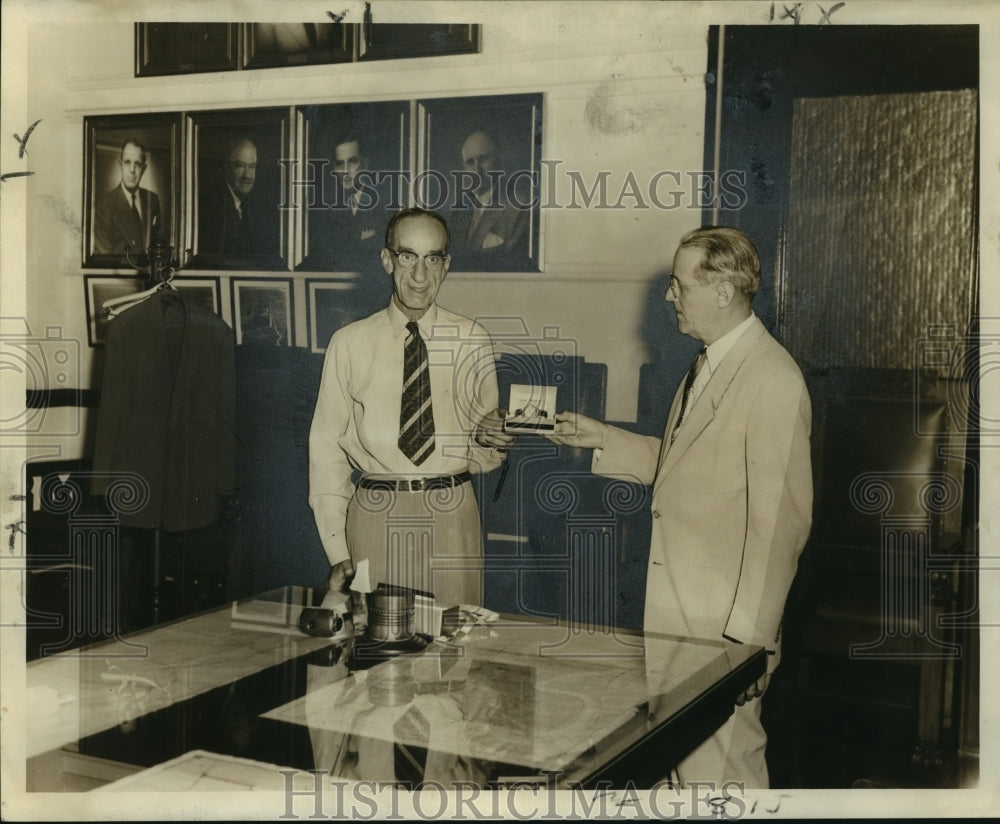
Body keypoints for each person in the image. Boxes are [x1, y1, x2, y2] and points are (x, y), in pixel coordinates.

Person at [545, 226, 812, 789]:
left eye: (678, 284)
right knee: (681, 773)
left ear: (722, 291)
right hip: (677, 619)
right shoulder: (709, 363)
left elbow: (780, 527)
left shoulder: (772, 380)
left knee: (723, 775)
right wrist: (601, 438)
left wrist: (747, 647)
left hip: (721, 635)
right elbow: (685, 467)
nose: (669, 296)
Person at [308, 207, 512, 609]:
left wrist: (495, 439)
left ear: (446, 264)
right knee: (378, 657)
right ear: (387, 260)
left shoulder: (472, 340)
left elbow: (486, 454)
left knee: (455, 654)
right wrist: (337, 547)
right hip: (375, 512)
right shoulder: (348, 343)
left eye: (433, 258)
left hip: (452, 512)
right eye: (408, 256)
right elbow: (325, 451)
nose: (420, 275)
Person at [307, 133, 394, 289]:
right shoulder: (328, 210)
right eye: (340, 164)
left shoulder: (385, 207)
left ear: (365, 164)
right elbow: (316, 258)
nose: (345, 171)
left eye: (352, 161)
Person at [450, 129, 530, 270]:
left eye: (483, 159)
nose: (476, 170)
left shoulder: (518, 206)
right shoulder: (460, 209)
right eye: (470, 162)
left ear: (499, 160)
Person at [199, 136, 274, 256]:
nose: (247, 175)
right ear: (227, 168)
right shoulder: (210, 206)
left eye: (252, 167)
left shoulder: (254, 207)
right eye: (240, 166)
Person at [94, 138, 162, 256]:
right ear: (120, 164)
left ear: (144, 169)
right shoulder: (103, 207)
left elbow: (157, 246)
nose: (132, 170)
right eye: (127, 162)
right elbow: (106, 259)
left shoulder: (153, 200)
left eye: (137, 164)